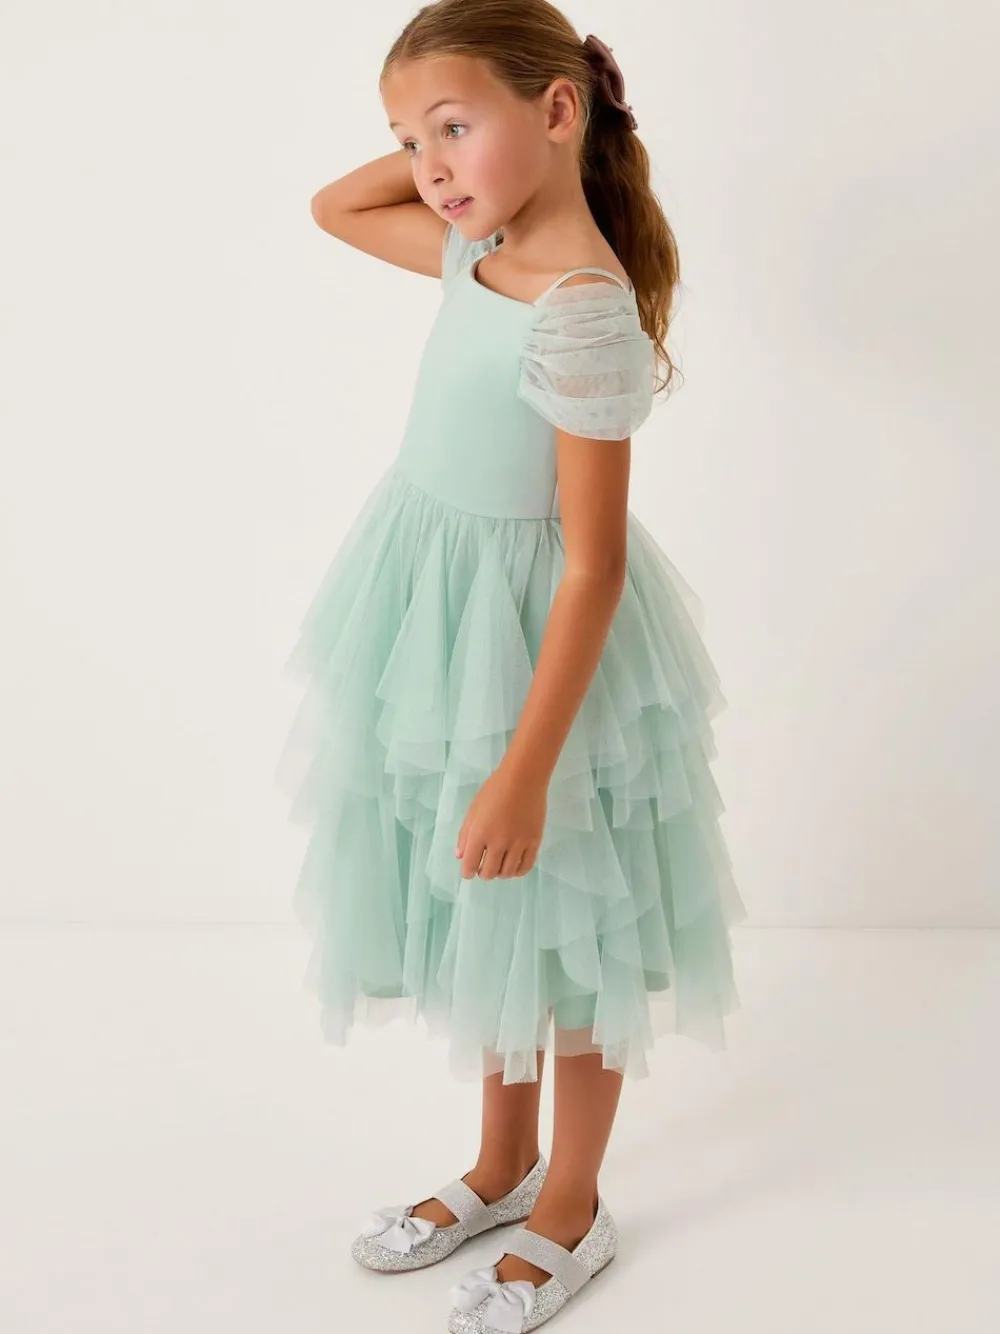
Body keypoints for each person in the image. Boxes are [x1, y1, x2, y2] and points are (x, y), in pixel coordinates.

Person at [276, 2, 747, 1328]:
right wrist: (459, 151)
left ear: (556, 112)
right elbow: (333, 205)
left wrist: (529, 771)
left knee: (572, 934)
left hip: (543, 652)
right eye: (407, 139)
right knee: (496, 920)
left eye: (452, 127)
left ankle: (571, 1204)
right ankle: (498, 1166)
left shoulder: (580, 308)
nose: (425, 168)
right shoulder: (475, 246)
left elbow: (592, 565)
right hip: (437, 624)